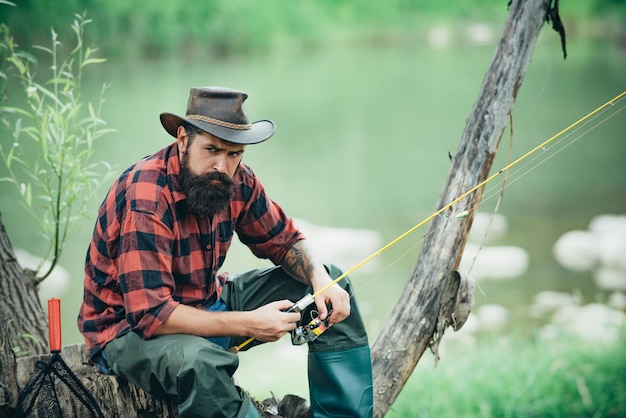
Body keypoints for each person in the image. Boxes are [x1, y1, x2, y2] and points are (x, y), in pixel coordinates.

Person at [77, 86, 374, 418]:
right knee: (201, 363)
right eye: (211, 149)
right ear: (182, 139)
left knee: (334, 286)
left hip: (206, 302)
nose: (222, 165)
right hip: (127, 332)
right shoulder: (147, 195)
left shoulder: (236, 180)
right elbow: (151, 316)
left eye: (234, 154)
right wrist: (248, 323)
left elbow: (286, 241)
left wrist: (320, 278)